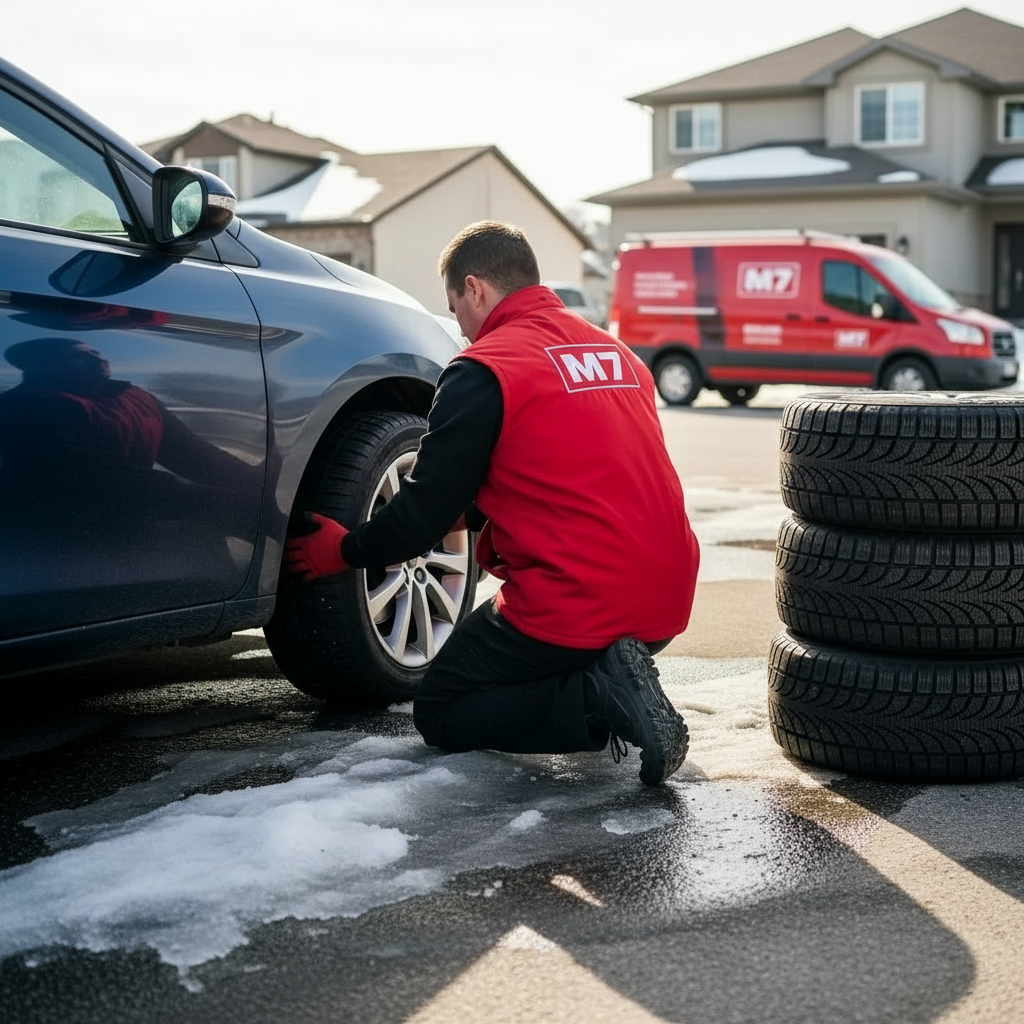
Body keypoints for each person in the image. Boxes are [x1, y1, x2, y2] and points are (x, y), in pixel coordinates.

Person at [284, 221, 700, 785]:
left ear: (474, 289)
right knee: (536, 663)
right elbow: (571, 469)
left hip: (576, 606)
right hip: (665, 603)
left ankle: (597, 697)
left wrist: (345, 550)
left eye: (456, 310)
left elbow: (421, 516)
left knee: (444, 709)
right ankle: (611, 679)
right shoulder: (619, 354)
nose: (460, 331)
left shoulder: (485, 368)